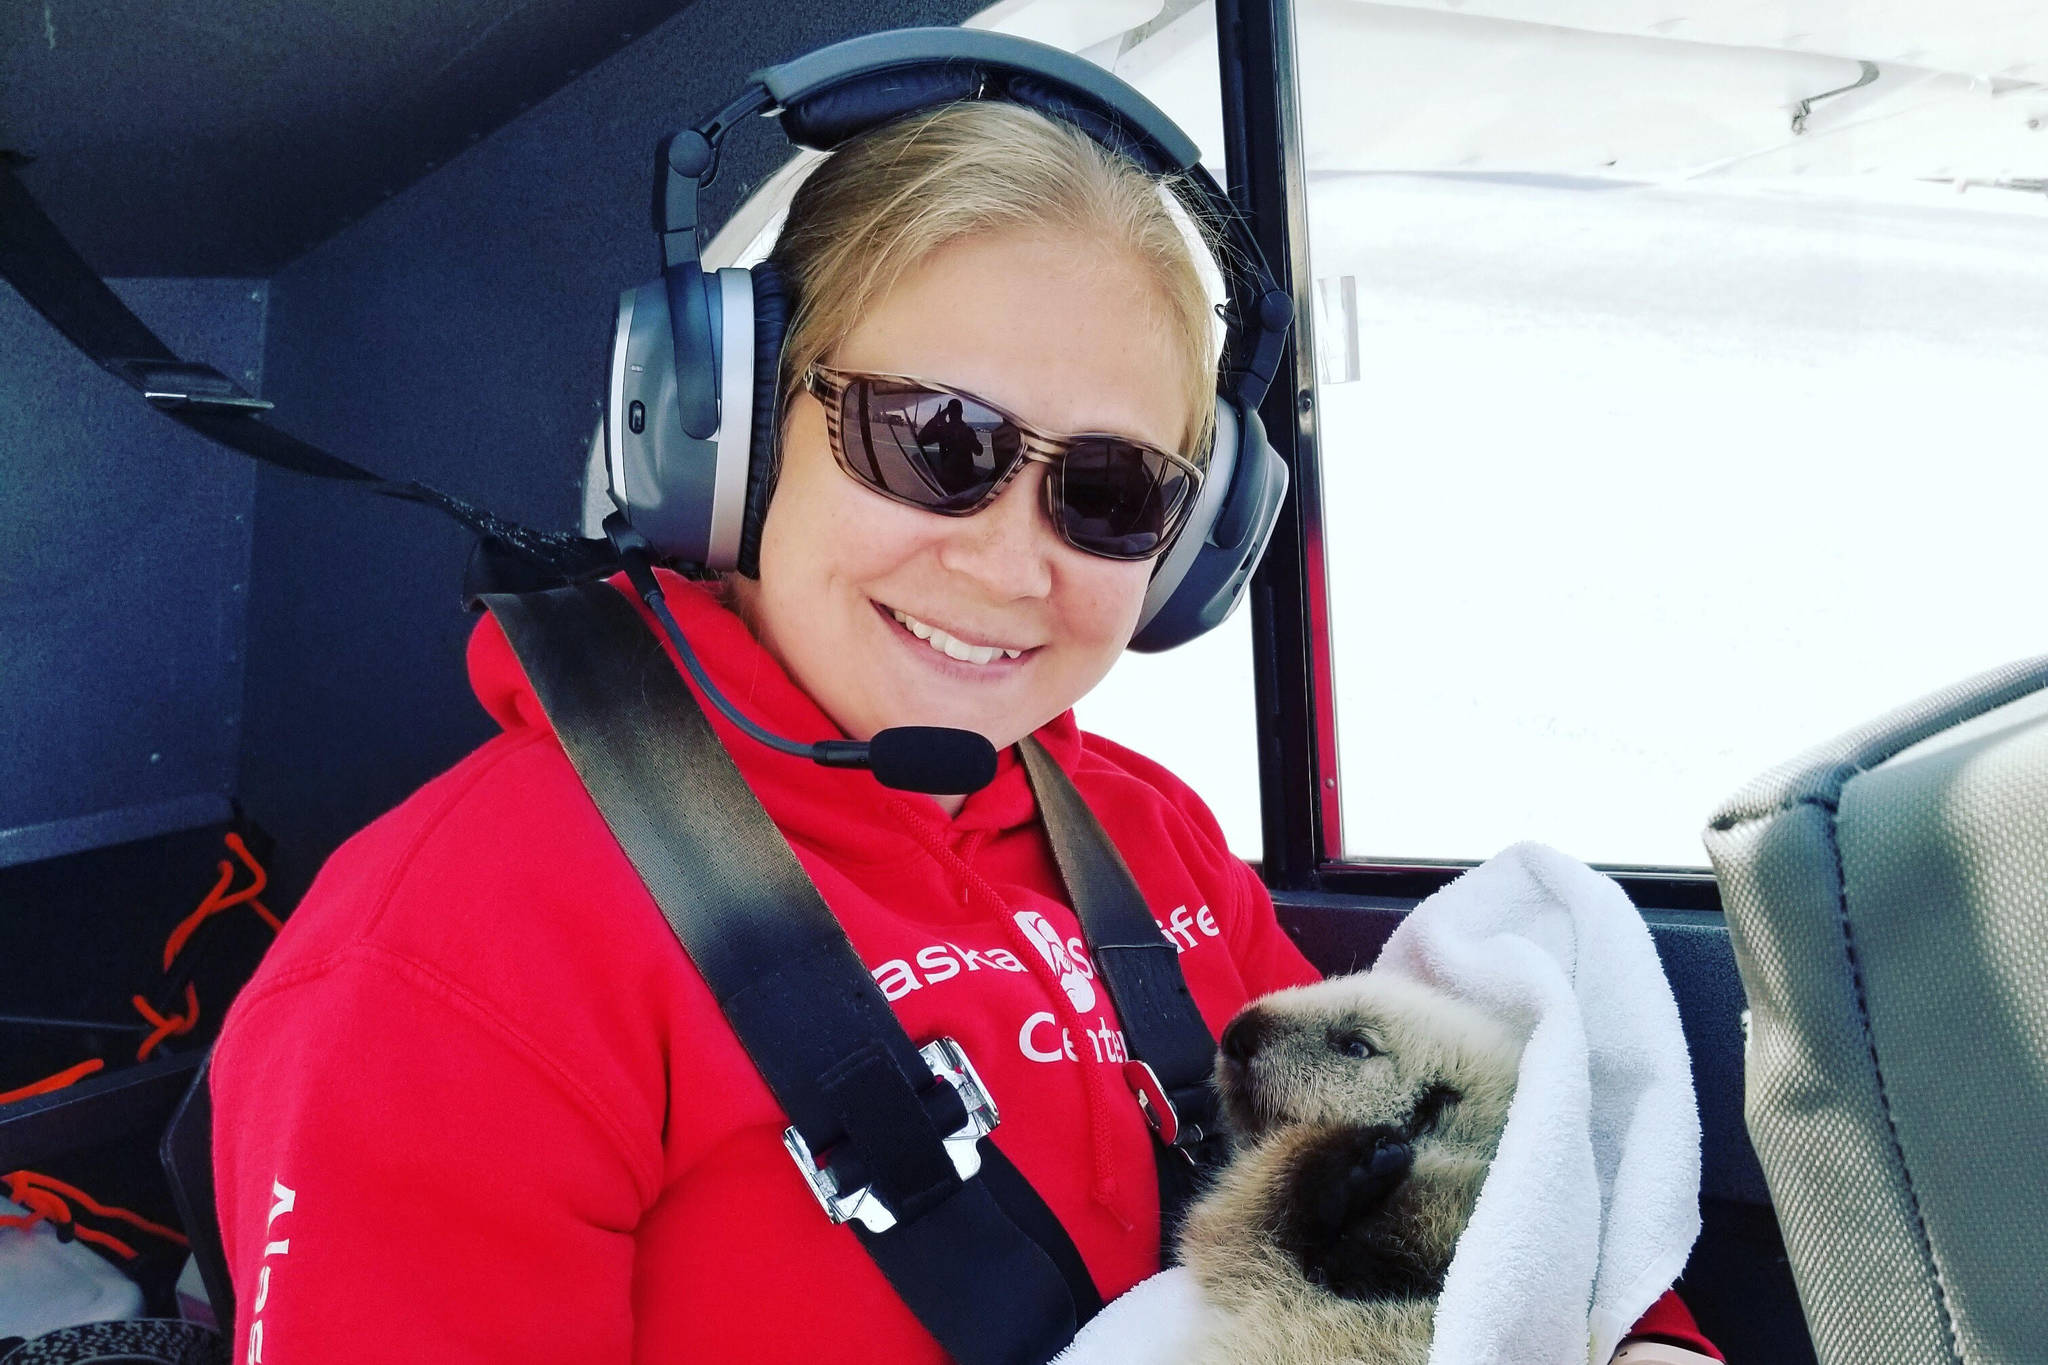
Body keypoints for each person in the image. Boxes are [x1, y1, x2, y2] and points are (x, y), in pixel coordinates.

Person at [208, 96, 1719, 1363]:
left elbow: (1438, 1171)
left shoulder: (1144, 834)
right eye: (937, 444)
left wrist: (1639, 1334)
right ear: (726, 432)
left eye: (1111, 493)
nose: (1011, 563)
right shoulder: (455, 955)